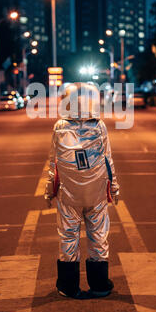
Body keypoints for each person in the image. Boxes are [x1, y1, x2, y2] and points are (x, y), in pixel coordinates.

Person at [45, 83, 120, 300]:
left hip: (69, 194)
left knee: (68, 237)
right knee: (98, 237)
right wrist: (114, 188)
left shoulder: (59, 127)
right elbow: (108, 160)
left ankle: (69, 287)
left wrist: (49, 191)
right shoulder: (99, 126)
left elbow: (54, 163)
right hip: (96, 192)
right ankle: (99, 285)